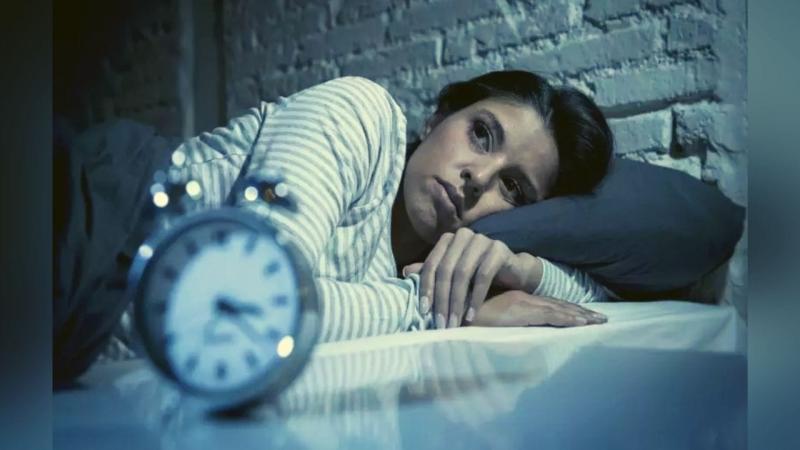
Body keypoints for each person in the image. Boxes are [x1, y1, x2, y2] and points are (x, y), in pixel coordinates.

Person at [54, 71, 614, 383]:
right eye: (481, 134)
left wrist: (520, 269)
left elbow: (597, 293)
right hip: (93, 216)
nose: (478, 178)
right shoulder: (362, 115)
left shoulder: (450, 257)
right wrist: (440, 308)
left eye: (512, 188)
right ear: (437, 118)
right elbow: (249, 306)